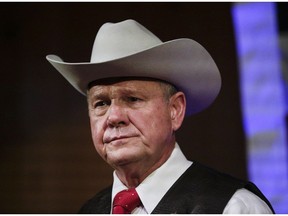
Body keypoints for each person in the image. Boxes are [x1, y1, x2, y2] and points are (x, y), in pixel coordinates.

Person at [46, 19, 274, 214]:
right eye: (101, 103)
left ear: (175, 110)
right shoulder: (88, 212)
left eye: (133, 99)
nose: (114, 116)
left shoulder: (234, 208)